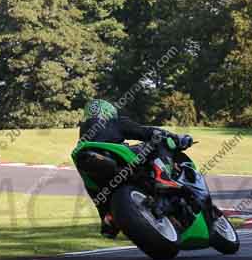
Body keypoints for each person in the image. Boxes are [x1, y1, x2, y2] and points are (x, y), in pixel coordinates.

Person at [77, 99, 193, 238]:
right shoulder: (114, 122)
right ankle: (162, 176)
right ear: (108, 112)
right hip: (114, 158)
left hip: (90, 168)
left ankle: (108, 219)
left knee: (96, 191)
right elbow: (147, 131)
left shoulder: (83, 135)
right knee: (158, 140)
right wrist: (175, 137)